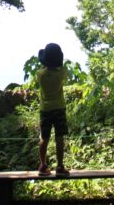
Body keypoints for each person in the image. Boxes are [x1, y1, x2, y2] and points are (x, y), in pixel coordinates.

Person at [36, 42, 70, 177]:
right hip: (59, 108)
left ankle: (43, 165)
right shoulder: (61, 74)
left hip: (45, 110)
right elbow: (62, 68)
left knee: (44, 137)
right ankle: (60, 166)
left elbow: (44, 67)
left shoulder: (40, 75)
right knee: (59, 137)